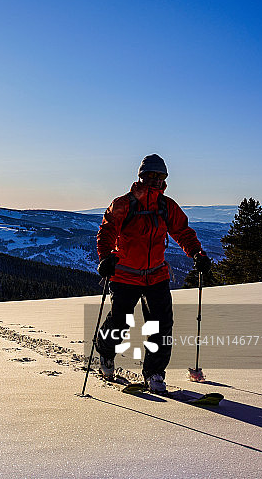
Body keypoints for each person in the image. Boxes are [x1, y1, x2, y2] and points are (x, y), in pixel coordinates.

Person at [95, 154, 211, 393]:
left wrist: (197, 254)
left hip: (156, 276)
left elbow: (183, 232)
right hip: (125, 275)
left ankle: (155, 373)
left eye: (161, 176)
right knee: (120, 322)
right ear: (142, 176)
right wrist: (105, 258)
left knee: (161, 325)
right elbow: (107, 231)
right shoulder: (123, 204)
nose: (156, 180)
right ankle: (106, 354)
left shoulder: (167, 206)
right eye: (152, 175)